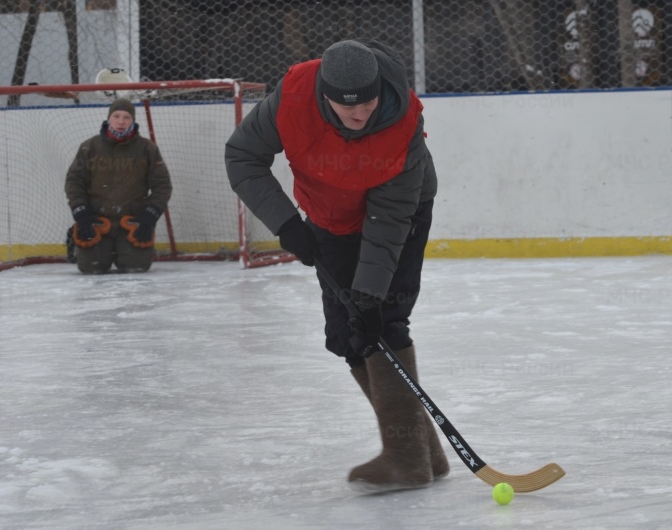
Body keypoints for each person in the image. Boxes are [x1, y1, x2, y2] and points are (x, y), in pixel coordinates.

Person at [225, 38, 447, 492]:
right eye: (348, 107)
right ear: (324, 94)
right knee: (349, 334)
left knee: (381, 320)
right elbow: (243, 156)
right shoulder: (292, 98)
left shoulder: (401, 124)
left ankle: (406, 459)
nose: (360, 114)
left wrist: (370, 294)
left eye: (368, 102)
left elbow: (387, 225)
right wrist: (287, 223)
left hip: (397, 214)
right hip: (328, 214)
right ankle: (425, 453)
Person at [65, 98, 172, 274]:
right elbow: (74, 182)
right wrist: (81, 212)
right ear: (109, 118)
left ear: (133, 120)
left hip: (131, 222)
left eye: (127, 117)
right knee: (90, 268)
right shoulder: (90, 147)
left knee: (136, 267)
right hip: (97, 221)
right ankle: (80, 242)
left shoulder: (147, 149)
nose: (121, 122)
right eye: (116, 116)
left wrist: (149, 216)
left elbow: (163, 186)